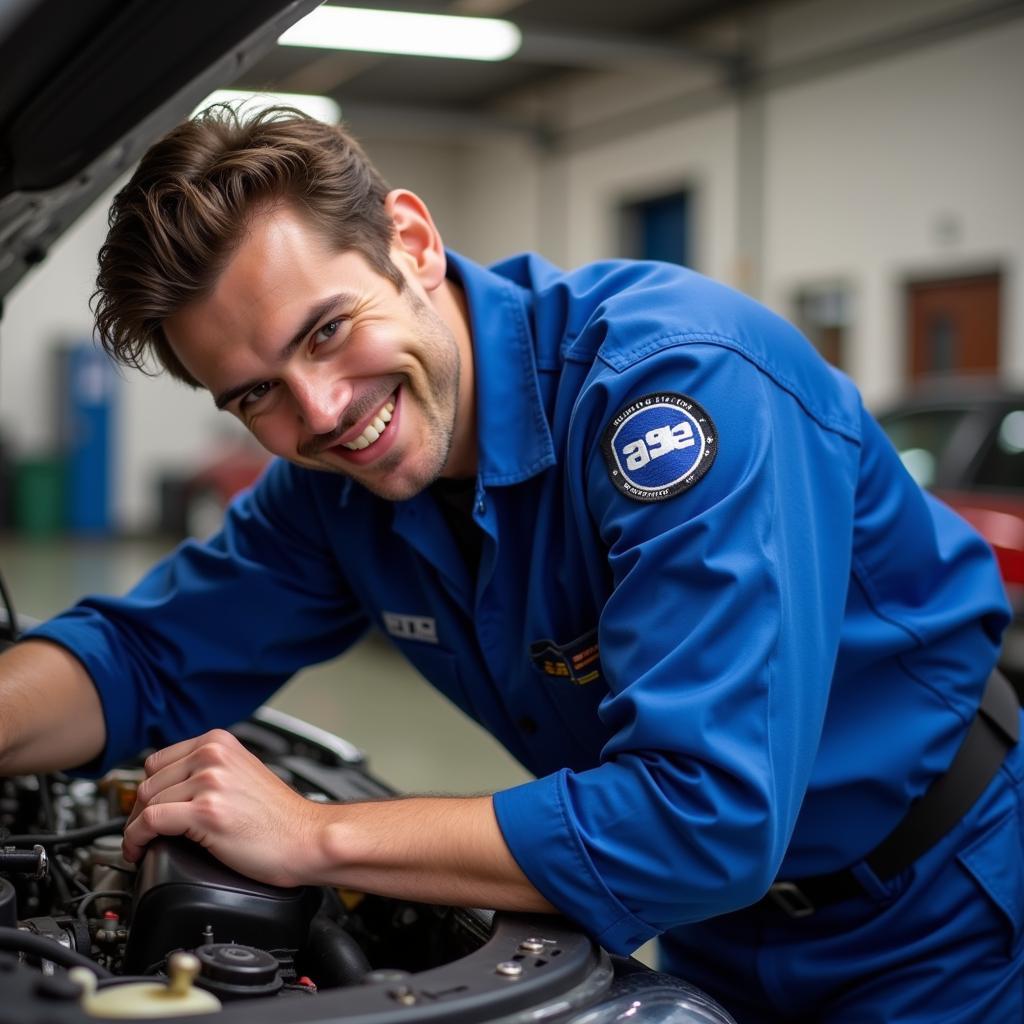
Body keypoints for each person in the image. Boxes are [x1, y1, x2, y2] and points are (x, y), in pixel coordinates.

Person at [0, 105, 1019, 1022]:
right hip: (715, 930)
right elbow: (142, 657)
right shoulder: (333, 493)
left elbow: (702, 817)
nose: (319, 412)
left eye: (328, 330)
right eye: (254, 393)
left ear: (413, 240)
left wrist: (314, 834)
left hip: (943, 914)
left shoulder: (671, 392)